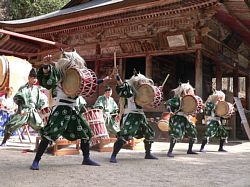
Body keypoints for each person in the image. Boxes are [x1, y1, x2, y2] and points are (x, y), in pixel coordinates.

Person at [30, 50, 109, 170]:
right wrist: (46, 66)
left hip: (72, 108)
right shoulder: (59, 72)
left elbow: (90, 83)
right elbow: (47, 81)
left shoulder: (76, 75)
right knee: (49, 133)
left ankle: (86, 158)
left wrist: (104, 80)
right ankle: (36, 161)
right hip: (61, 108)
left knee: (86, 132)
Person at [109, 68, 158, 163]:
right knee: (124, 135)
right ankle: (113, 155)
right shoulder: (129, 87)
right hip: (131, 115)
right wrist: (117, 77)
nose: (142, 83)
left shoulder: (142, 90)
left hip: (140, 115)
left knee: (149, 133)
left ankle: (148, 154)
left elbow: (147, 100)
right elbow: (122, 86)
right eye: (141, 81)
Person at [0, 69, 48, 146]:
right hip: (23, 110)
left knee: (40, 126)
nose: (35, 80)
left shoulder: (37, 89)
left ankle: (47, 142)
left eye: (36, 78)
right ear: (29, 78)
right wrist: (20, 110)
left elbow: (41, 100)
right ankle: (4, 141)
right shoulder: (23, 88)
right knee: (12, 125)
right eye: (33, 78)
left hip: (32, 111)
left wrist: (42, 108)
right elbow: (19, 99)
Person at [165, 82, 201, 157]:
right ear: (184, 91)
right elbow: (168, 103)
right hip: (177, 118)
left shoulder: (190, 100)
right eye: (189, 91)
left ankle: (190, 150)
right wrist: (170, 111)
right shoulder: (177, 99)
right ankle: (170, 151)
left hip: (186, 118)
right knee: (176, 133)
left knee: (193, 132)